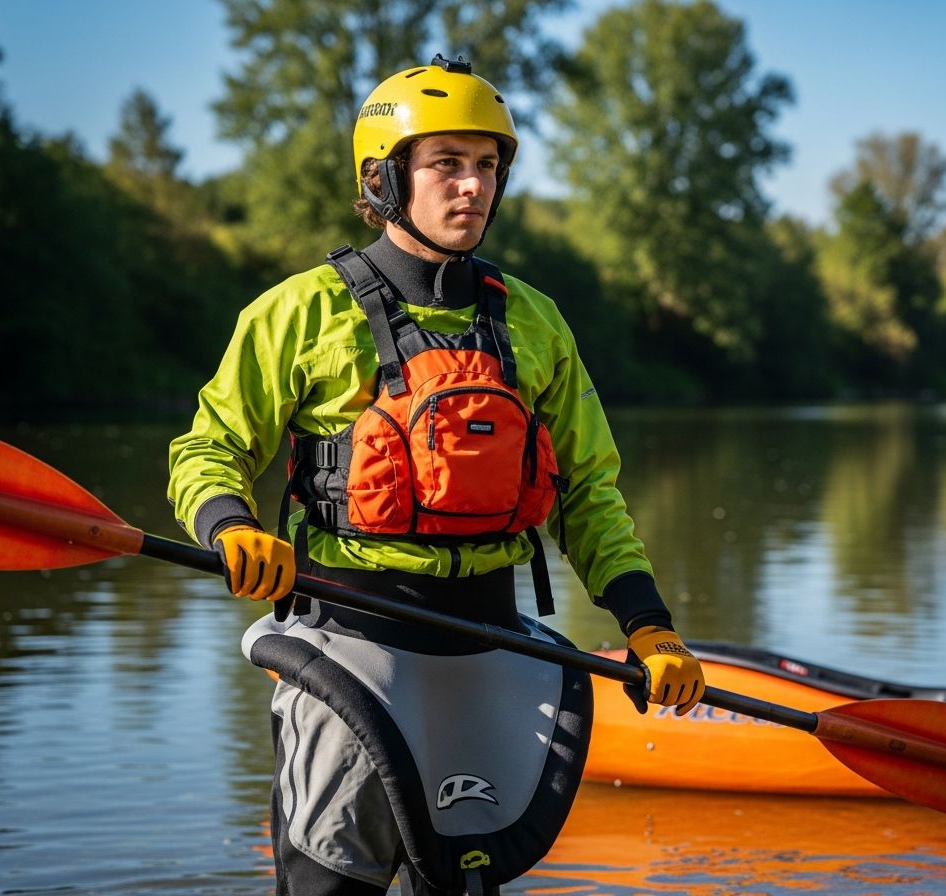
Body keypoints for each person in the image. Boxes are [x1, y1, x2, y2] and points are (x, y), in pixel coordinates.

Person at [167, 54, 705, 896]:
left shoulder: (533, 319)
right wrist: (232, 526)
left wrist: (650, 624)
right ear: (383, 179)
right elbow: (206, 449)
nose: (473, 186)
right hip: (347, 647)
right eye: (446, 162)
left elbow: (588, 492)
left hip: (487, 648)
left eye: (488, 164)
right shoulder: (300, 311)